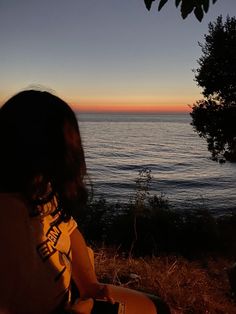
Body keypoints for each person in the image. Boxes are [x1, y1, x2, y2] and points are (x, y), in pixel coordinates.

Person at [0, 90, 170, 314]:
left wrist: (89, 285)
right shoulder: (7, 220)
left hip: (75, 296)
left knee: (158, 307)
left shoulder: (41, 189)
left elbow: (69, 230)